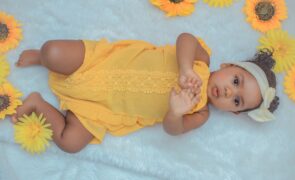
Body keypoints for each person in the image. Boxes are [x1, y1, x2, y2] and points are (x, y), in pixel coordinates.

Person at [11, 33, 279, 153]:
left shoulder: (200, 113)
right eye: (235, 80)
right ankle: (42, 59)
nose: (228, 91)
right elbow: (185, 38)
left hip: (103, 108)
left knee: (70, 143)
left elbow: (172, 130)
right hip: (104, 64)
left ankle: (37, 104)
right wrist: (186, 68)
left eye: (236, 100)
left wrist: (175, 111)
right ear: (227, 65)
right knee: (52, 52)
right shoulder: (202, 60)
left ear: (232, 112)